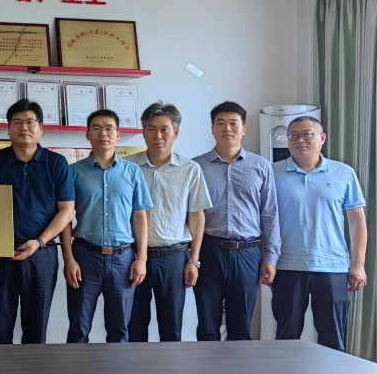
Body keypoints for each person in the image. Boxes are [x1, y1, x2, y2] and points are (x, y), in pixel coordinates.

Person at [0, 99, 75, 344]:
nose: (24, 128)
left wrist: (39, 241)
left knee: (36, 327)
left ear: (41, 128)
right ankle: (0, 369)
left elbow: (66, 211)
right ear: (8, 129)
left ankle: (34, 371)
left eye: (30, 122)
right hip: (0, 255)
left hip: (42, 254)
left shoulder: (56, 163)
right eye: (17, 122)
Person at [272, 116, 367, 352]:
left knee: (333, 339)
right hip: (287, 265)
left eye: (307, 134)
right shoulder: (272, 172)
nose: (300, 140)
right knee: (286, 338)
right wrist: (267, 260)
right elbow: (265, 220)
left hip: (333, 266)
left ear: (322, 138)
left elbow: (357, 220)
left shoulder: (343, 173)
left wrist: (358, 266)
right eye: (293, 135)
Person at [193, 101, 280, 341]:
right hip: (209, 251)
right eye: (220, 123)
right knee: (207, 326)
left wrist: (270, 258)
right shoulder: (196, 167)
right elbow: (189, 214)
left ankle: (238, 367)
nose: (227, 128)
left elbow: (270, 214)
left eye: (233, 123)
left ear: (244, 129)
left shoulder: (261, 166)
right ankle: (207, 367)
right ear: (212, 129)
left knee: (240, 327)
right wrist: (192, 258)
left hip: (247, 253)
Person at [126, 102, 211, 342]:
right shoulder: (127, 167)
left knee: (172, 327)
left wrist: (194, 260)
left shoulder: (190, 169)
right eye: (151, 129)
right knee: (134, 325)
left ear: (176, 133)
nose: (158, 136)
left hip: (174, 257)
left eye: (165, 129)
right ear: (143, 132)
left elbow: (196, 215)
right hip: (133, 256)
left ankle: (169, 368)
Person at [64, 109, 150, 343]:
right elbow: (65, 218)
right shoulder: (73, 173)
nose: (103, 133)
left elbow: (140, 217)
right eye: (97, 128)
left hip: (123, 259)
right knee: (78, 329)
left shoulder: (133, 172)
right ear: (87, 134)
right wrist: (68, 259)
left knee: (120, 331)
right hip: (85, 257)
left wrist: (141, 259)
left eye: (109, 128)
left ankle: (117, 369)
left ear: (118, 135)